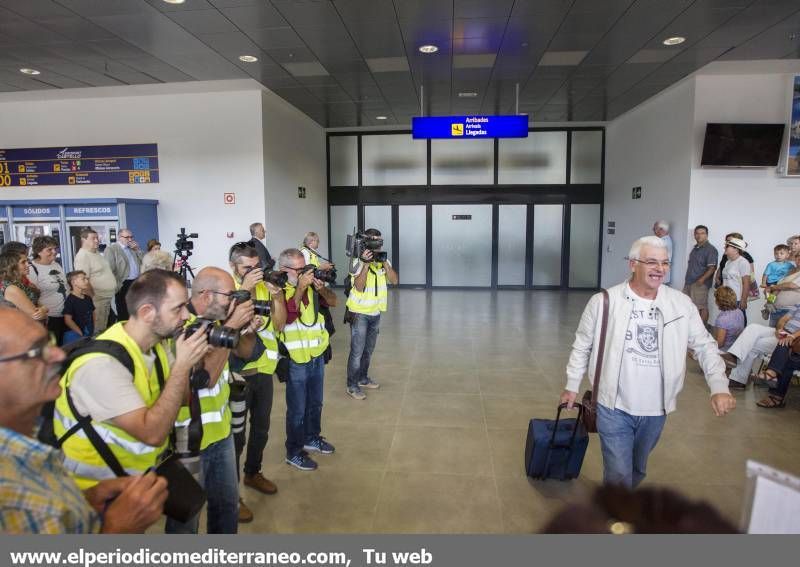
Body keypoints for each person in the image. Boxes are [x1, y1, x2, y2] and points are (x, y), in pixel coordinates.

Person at [561, 235, 735, 488]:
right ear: (633, 264)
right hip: (613, 405)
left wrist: (719, 386)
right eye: (652, 262)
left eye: (665, 263)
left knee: (637, 468)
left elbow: (705, 346)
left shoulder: (680, 304)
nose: (660, 269)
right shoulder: (604, 302)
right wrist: (572, 385)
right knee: (619, 472)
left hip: (657, 408)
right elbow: (582, 345)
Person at [0, 307, 169, 534]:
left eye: (49, 341)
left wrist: (83, 499)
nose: (59, 355)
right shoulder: (15, 501)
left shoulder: (29, 441)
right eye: (36, 351)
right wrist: (117, 528)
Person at [53, 269, 210, 491]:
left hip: (134, 483)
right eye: (178, 308)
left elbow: (182, 399)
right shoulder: (101, 366)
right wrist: (182, 365)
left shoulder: (159, 345)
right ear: (147, 313)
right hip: (91, 495)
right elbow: (153, 434)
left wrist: (189, 362)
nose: (186, 315)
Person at [166, 267, 259, 535]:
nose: (233, 302)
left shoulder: (216, 319)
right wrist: (231, 325)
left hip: (220, 432)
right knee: (186, 517)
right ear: (206, 295)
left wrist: (247, 329)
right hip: (187, 439)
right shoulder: (181, 327)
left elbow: (246, 351)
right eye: (229, 295)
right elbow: (204, 378)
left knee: (226, 507)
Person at [228, 243, 286, 523]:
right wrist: (248, 287)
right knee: (235, 439)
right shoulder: (228, 291)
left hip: (264, 371)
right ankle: (233, 494)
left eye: (257, 267)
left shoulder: (265, 286)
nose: (254, 272)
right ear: (234, 268)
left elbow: (279, 324)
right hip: (238, 376)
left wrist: (278, 297)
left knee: (261, 428)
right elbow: (238, 321)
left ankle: (253, 472)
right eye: (246, 268)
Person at [278, 248, 338, 471]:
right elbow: (285, 318)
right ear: (285, 269)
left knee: (315, 403)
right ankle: (293, 451)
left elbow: (333, 302)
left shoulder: (313, 287)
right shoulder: (278, 289)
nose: (305, 273)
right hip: (296, 359)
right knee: (297, 409)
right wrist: (300, 288)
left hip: (316, 355)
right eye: (299, 269)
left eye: (306, 268)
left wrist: (321, 291)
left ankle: (312, 437)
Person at [345, 229, 398, 400]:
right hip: (359, 313)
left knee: (368, 350)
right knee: (357, 352)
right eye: (374, 241)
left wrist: (385, 264)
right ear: (366, 242)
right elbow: (359, 287)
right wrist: (366, 264)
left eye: (379, 241)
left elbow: (395, 280)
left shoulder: (383, 258)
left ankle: (362, 378)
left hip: (375, 312)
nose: (378, 244)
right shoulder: (356, 261)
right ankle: (352, 386)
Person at [73, 228, 117, 333]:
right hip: (97, 301)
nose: (97, 241)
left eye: (97, 238)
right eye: (93, 238)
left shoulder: (96, 253)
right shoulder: (82, 256)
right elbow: (83, 281)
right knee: (99, 330)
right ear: (84, 240)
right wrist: (93, 298)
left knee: (108, 326)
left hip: (105, 299)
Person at [28, 236, 68, 344]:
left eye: (55, 248)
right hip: (49, 319)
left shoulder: (56, 264)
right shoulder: (32, 269)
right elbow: (32, 296)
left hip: (65, 316)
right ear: (39, 251)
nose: (54, 252)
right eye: (49, 249)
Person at [754, 315, 800, 408]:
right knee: (787, 353)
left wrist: (792, 336)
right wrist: (780, 329)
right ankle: (773, 378)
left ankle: (772, 376)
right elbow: (783, 319)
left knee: (787, 355)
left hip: (795, 340)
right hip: (792, 341)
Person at [104, 228, 144, 322]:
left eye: (131, 237)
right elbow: (109, 269)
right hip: (122, 284)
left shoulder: (133, 249)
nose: (130, 240)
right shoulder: (111, 249)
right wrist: (117, 285)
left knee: (135, 309)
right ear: (119, 237)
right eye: (127, 237)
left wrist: (138, 250)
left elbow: (144, 261)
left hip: (135, 282)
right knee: (124, 312)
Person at [683, 225, 718, 325]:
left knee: (700, 307)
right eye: (697, 233)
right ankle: (692, 329)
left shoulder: (710, 250)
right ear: (694, 235)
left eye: (702, 233)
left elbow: (712, 268)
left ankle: (701, 331)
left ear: (706, 235)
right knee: (687, 306)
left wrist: (701, 280)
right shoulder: (695, 249)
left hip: (700, 284)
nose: (699, 235)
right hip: (689, 282)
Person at [0, 251, 47, 324]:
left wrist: (44, 309)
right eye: (23, 262)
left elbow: (39, 305)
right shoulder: (12, 288)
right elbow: (37, 317)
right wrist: (45, 312)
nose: (28, 265)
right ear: (11, 266)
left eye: (27, 261)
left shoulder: (20, 284)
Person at [62, 271, 95, 344]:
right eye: (83, 279)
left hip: (88, 333)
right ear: (74, 282)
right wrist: (80, 333)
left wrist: (92, 329)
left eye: (86, 279)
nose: (87, 281)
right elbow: (68, 320)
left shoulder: (88, 298)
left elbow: (93, 313)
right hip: (74, 336)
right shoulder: (70, 300)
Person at [712, 286, 744, 353]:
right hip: (736, 349)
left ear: (719, 301)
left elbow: (720, 344)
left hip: (725, 352)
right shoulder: (739, 312)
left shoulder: (722, 319)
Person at [652, 221, 673, 285]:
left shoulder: (663, 242)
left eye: (654, 228)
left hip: (660, 274)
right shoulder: (665, 240)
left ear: (661, 229)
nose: (653, 230)